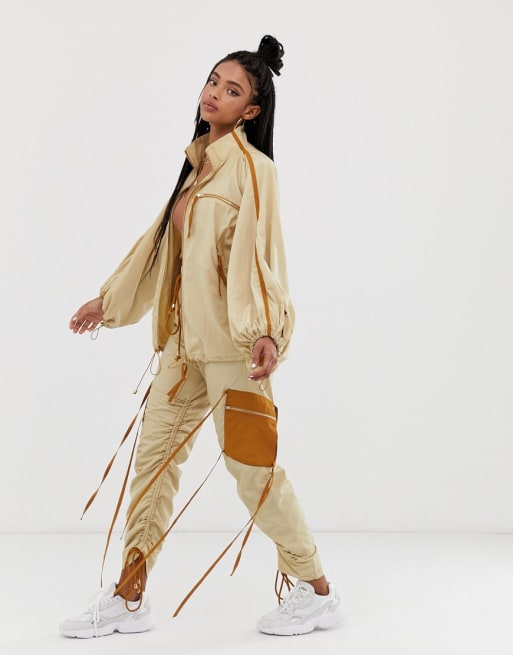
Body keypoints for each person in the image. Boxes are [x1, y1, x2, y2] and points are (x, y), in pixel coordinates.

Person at [60, 34, 344, 639]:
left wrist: (265, 333)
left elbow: (261, 254)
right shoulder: (194, 170)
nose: (215, 93)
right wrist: (109, 301)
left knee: (253, 471)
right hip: (181, 350)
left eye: (232, 90)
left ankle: (317, 589)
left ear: (251, 111)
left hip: (235, 353)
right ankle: (129, 596)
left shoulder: (254, 170)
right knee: (152, 468)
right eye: (213, 80)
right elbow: (160, 247)